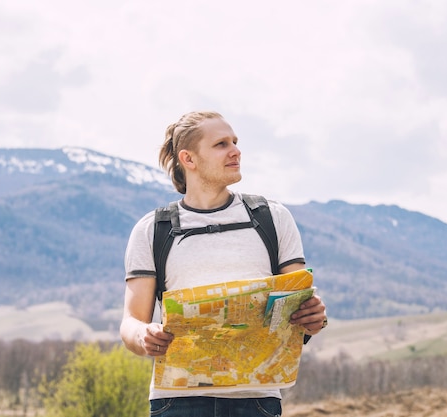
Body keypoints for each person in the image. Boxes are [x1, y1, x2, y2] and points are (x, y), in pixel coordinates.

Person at [120, 110, 327, 417]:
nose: (236, 150)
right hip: (177, 401)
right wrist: (143, 335)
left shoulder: (272, 218)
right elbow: (130, 322)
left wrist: (314, 316)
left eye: (235, 141)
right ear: (188, 159)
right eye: (221, 144)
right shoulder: (153, 229)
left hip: (257, 400)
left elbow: (301, 305)